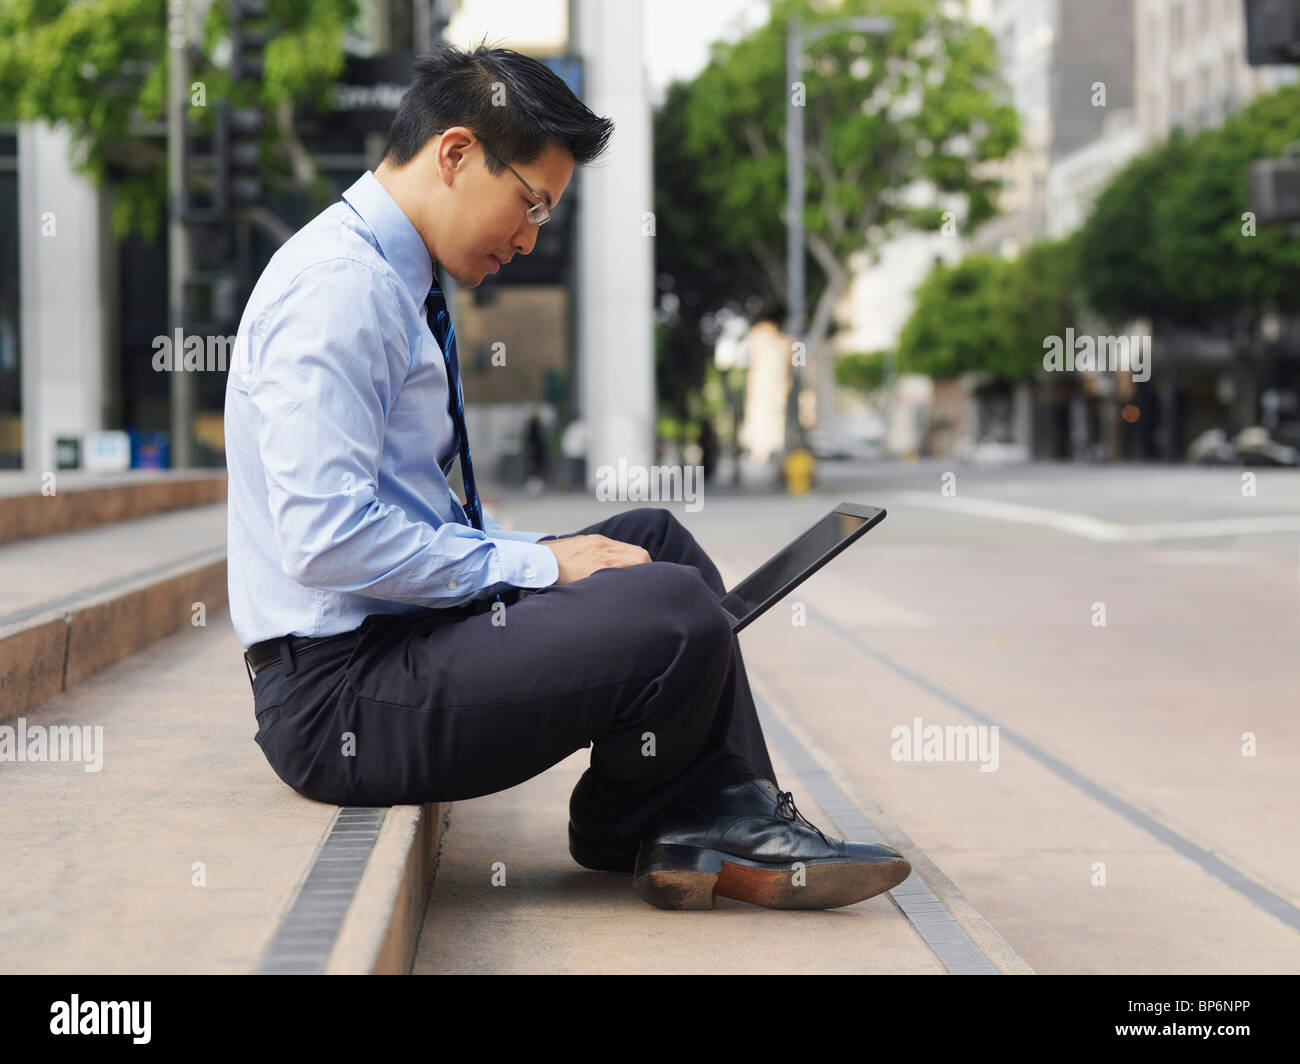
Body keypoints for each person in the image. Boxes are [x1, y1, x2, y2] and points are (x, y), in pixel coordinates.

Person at [224, 41, 909, 911]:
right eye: (530, 204)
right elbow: (326, 542)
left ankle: (679, 808)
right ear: (457, 153)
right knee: (673, 608)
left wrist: (537, 553)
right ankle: (685, 811)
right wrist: (541, 563)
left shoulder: (395, 276)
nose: (528, 235)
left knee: (654, 542)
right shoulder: (340, 289)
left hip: (392, 641)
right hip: (339, 701)